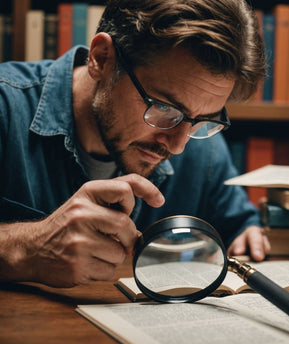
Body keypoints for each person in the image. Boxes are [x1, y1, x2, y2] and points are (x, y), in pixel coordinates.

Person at [0, 0, 270, 288]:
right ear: (102, 59)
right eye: (164, 108)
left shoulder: (202, 145)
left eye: (204, 119)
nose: (178, 146)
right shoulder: (6, 108)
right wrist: (26, 247)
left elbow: (240, 224)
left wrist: (247, 235)